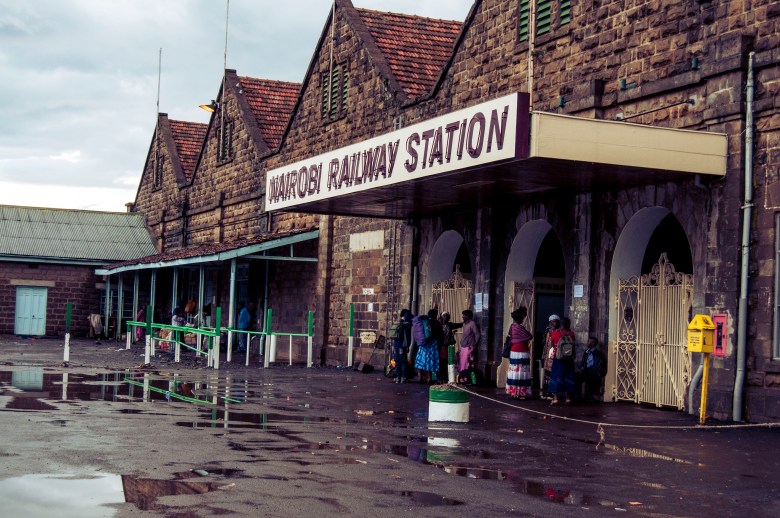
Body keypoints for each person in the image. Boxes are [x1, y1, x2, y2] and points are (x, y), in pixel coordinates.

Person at [505, 307, 534, 399]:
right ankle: (521, 392)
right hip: (522, 351)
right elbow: (529, 336)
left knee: (514, 372)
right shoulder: (520, 327)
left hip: (514, 351)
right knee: (522, 372)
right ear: (520, 318)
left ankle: (514, 392)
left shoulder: (512, 327)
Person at [548, 317, 577, 405]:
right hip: (569, 359)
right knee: (569, 376)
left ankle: (555, 398)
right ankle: (568, 398)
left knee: (556, 376)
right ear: (567, 324)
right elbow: (573, 344)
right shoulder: (571, 333)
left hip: (558, 358)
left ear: (560, 324)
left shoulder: (555, 333)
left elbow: (552, 344)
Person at [413, 310, 440, 384]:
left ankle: (420, 378)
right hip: (432, 344)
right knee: (429, 362)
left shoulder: (424, 322)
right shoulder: (436, 322)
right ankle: (429, 378)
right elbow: (439, 334)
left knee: (421, 361)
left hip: (423, 345)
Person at [578, 336, 607, 401]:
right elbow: (583, 362)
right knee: (577, 376)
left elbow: (596, 365)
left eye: (589, 342)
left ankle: (589, 395)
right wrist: (581, 368)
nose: (587, 343)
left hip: (594, 372)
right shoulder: (586, 352)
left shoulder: (597, 353)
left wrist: (587, 370)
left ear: (593, 344)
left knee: (589, 377)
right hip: (587, 371)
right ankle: (578, 395)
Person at [541, 314, 561, 398]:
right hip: (547, 355)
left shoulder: (559, 331)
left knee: (554, 373)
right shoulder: (547, 331)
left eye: (556, 321)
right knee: (547, 373)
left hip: (555, 354)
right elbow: (545, 344)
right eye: (553, 321)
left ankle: (553, 392)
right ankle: (547, 390)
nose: (554, 323)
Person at [458, 309, 481, 383]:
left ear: (468, 316)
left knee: (467, 363)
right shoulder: (464, 324)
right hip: (463, 346)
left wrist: (474, 345)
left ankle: (466, 378)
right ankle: (462, 377)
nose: (463, 317)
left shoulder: (472, 324)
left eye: (464, 315)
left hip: (469, 347)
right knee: (461, 364)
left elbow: (477, 334)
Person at [391, 309, 412, 383]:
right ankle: (403, 378)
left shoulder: (397, 323)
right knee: (403, 362)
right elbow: (406, 337)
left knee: (397, 362)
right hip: (401, 346)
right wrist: (407, 346)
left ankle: (397, 378)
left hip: (395, 346)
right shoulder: (405, 324)